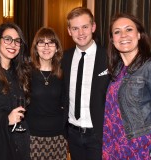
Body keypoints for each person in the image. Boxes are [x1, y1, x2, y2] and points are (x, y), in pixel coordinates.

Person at [62, 7, 110, 160]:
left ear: (93, 27)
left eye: (85, 27)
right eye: (75, 28)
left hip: (98, 135)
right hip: (72, 134)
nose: (80, 33)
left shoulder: (109, 57)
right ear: (69, 31)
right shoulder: (64, 58)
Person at [102, 13, 151, 159]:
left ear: (139, 35)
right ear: (113, 40)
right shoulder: (117, 70)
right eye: (117, 32)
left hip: (139, 146)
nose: (123, 35)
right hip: (113, 143)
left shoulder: (148, 67)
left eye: (129, 29)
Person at [26, 27, 68, 160]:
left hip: (59, 137)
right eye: (41, 42)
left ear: (57, 48)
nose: (46, 46)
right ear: (35, 48)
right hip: (33, 137)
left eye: (51, 42)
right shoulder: (26, 73)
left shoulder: (63, 72)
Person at [0, 22, 30, 160]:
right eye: (7, 39)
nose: (12, 44)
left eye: (17, 41)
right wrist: (5, 119)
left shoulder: (20, 73)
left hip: (19, 144)